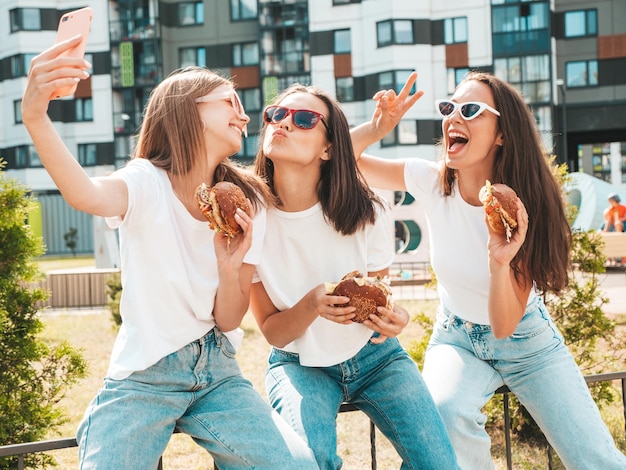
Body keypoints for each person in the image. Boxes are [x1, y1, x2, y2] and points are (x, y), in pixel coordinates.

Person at [21, 37, 318, 469]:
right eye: (229, 101)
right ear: (189, 112)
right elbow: (86, 194)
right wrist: (35, 117)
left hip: (218, 373)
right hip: (145, 376)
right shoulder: (146, 182)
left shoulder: (249, 202)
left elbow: (228, 319)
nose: (245, 114)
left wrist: (231, 263)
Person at [350, 71, 626, 470]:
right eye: (449, 108)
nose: (453, 117)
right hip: (455, 337)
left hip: (527, 343)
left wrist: (500, 261)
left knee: (595, 458)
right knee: (446, 418)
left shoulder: (522, 207)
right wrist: (378, 127)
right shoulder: (430, 181)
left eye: (471, 109)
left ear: (501, 134)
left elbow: (503, 327)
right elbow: (343, 161)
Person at [250, 84, 459, 470]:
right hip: (298, 364)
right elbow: (274, 333)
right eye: (276, 114)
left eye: (304, 118)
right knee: (311, 463)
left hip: (377, 358)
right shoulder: (251, 220)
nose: (284, 123)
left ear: (329, 148)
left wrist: (391, 319)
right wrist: (313, 303)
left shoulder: (368, 209)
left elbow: (378, 298)